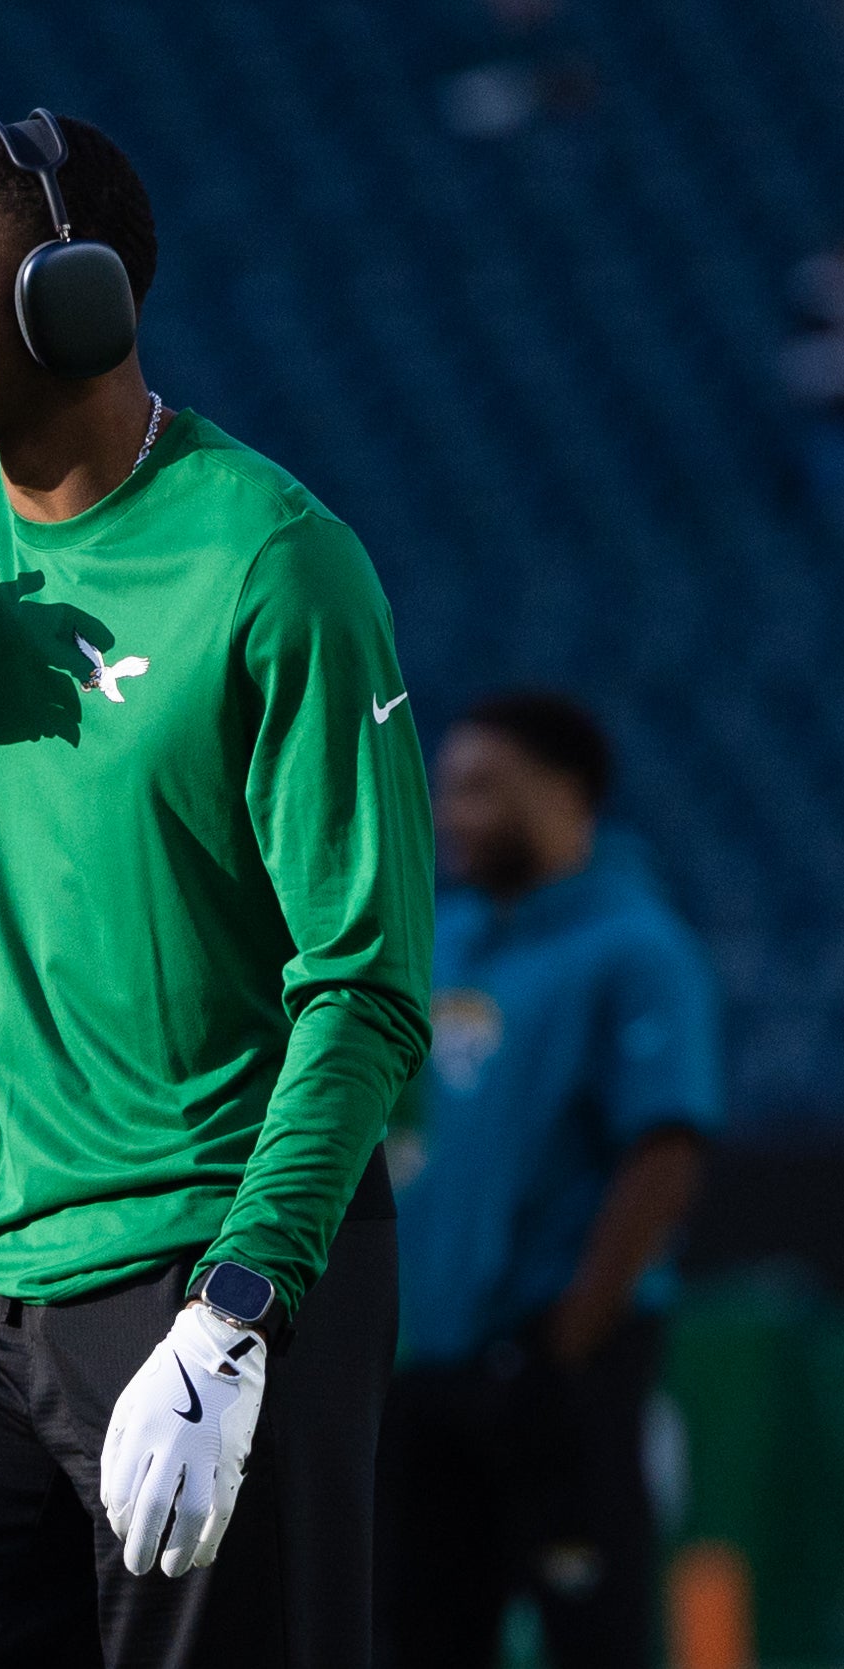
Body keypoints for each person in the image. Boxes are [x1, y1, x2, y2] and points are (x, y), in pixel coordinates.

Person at [0, 111, 434, 1664]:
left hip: (214, 1276)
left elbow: (367, 985)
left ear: (68, 302)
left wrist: (239, 1317)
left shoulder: (274, 562)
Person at [376, 693, 718, 1669]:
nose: (453, 813)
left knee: (589, 1634)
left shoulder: (636, 947)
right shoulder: (434, 939)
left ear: (567, 796)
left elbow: (664, 1151)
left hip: (556, 1362)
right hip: (422, 1367)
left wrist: (565, 1339)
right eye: (445, 790)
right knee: (422, 1634)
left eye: (483, 788)